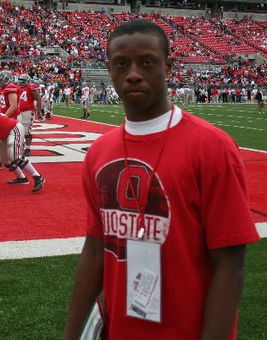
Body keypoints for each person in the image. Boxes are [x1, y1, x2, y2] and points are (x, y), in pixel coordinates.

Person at [63, 19, 260, 340]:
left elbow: (230, 264)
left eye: (147, 62)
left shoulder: (212, 146)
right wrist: (71, 334)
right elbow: (96, 249)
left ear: (168, 66)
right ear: (109, 70)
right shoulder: (99, 152)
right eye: (121, 63)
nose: (134, 73)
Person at [0, 113, 45, 192]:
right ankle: (21, 177)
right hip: (4, 135)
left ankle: (38, 177)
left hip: (13, 129)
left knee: (14, 155)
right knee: (4, 160)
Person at [18, 74, 42, 157]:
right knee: (18, 130)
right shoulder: (18, 87)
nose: (20, 82)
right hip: (18, 112)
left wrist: (39, 111)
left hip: (27, 111)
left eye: (22, 81)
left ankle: (28, 149)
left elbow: (38, 98)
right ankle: (21, 147)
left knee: (26, 131)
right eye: (20, 80)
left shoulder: (31, 87)